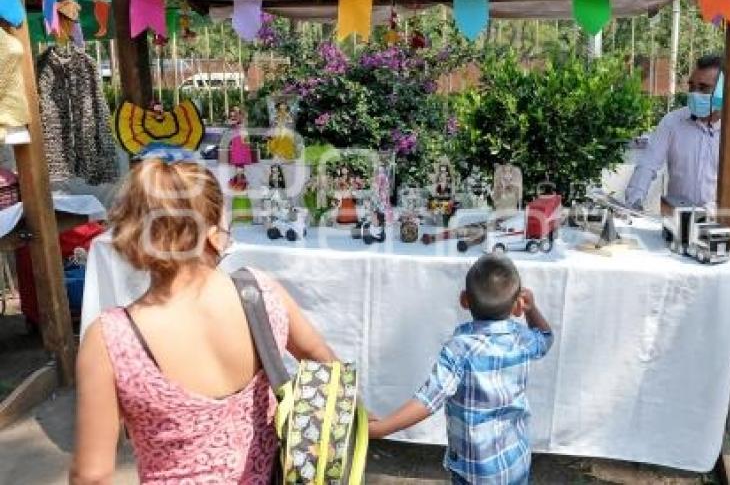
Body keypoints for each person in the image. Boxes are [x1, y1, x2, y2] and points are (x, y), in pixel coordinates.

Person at [70, 154, 337, 484]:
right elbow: (321, 360)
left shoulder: (111, 338)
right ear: (213, 235)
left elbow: (91, 475)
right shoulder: (261, 293)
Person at [369, 254, 553, 484]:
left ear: (464, 300)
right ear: (517, 304)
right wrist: (531, 309)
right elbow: (546, 337)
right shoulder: (522, 339)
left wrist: (381, 429)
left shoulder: (460, 349)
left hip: (475, 470)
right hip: (516, 459)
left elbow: (429, 399)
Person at [625, 54, 730, 211]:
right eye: (691, 86)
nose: (694, 93)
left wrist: (709, 213)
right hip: (676, 219)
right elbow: (647, 164)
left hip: (723, 221)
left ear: (724, 91)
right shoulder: (672, 122)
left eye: (703, 88)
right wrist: (634, 202)